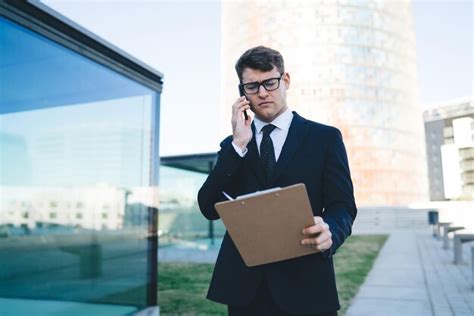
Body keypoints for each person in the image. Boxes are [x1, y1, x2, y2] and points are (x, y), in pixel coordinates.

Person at [197, 46, 357, 316]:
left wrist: (331, 230)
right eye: (251, 86)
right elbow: (208, 206)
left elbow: (343, 205)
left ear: (285, 80)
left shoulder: (325, 138)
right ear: (242, 92)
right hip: (245, 289)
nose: (261, 92)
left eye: (269, 82)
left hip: (306, 284)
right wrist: (237, 146)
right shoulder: (233, 145)